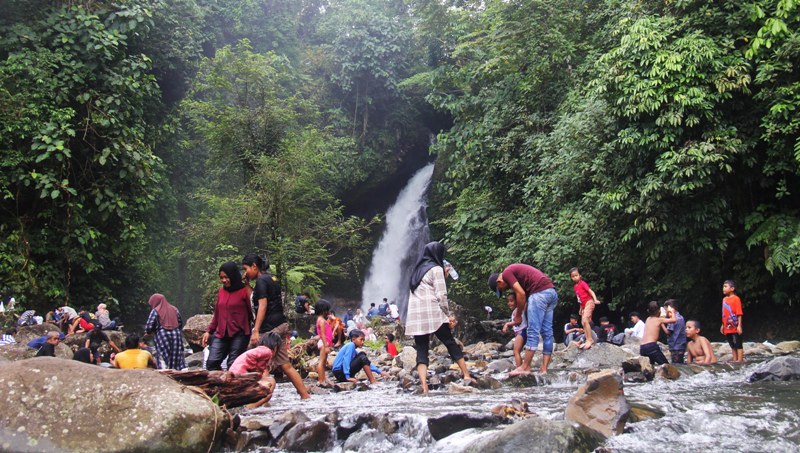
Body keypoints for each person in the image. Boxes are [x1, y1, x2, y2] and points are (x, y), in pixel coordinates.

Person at [406, 242, 472, 394]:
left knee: (422, 350)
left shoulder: (416, 270)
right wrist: (448, 315)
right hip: (433, 313)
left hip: (417, 317)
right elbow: (441, 295)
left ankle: (424, 386)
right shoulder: (436, 269)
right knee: (450, 342)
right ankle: (466, 374)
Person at [241, 253, 309, 399]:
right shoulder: (271, 278)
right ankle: (305, 396)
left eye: (246, 268)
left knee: (261, 365)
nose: (244, 272)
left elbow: (262, 305)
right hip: (281, 325)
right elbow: (256, 297)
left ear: (254, 266)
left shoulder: (261, 281)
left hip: (270, 329)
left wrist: (256, 330)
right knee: (285, 365)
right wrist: (247, 285)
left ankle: (263, 400)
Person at [488, 263, 558, 375]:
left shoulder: (506, 273)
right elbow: (524, 297)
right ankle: (544, 369)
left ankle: (525, 367)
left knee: (533, 331)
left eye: (501, 289)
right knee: (547, 332)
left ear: (498, 282)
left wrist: (518, 315)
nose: (505, 290)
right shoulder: (517, 275)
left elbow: (521, 294)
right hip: (551, 292)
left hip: (539, 294)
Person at [202, 261, 253, 371]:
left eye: (226, 277)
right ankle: (219, 386)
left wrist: (258, 329)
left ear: (233, 275)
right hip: (222, 333)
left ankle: (235, 386)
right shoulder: (221, 292)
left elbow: (252, 311)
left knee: (233, 365)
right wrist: (209, 331)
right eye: (221, 278)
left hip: (240, 333)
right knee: (211, 363)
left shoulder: (244, 291)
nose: (223, 280)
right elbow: (217, 314)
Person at [228, 332, 281, 408]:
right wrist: (253, 368)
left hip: (234, 374)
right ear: (275, 346)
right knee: (271, 383)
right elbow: (250, 356)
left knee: (266, 382)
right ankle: (250, 407)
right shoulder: (268, 351)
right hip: (241, 374)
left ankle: (250, 405)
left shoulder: (260, 350)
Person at [144, 293, 186, 370]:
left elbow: (148, 327)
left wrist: (151, 331)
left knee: (163, 357)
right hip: (176, 335)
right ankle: (179, 372)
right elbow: (180, 323)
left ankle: (166, 374)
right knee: (177, 356)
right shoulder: (174, 309)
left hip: (162, 336)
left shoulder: (155, 311)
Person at [570, 267, 601, 350]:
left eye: (576, 275)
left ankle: (589, 340)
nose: (575, 277)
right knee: (583, 323)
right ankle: (586, 339)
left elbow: (591, 291)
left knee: (585, 320)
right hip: (583, 305)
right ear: (571, 277)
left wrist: (595, 300)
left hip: (589, 302)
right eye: (573, 276)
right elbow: (579, 298)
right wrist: (580, 308)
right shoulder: (575, 287)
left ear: (580, 276)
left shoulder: (582, 283)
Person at [640, 301, 677, 365]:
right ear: (659, 311)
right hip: (651, 346)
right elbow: (674, 320)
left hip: (642, 347)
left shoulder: (648, 319)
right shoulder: (659, 320)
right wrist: (671, 311)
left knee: (650, 366)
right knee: (666, 366)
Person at [721, 279, 744, 363]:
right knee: (731, 343)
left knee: (738, 343)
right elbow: (724, 313)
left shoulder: (736, 299)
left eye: (725, 286)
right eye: (723, 286)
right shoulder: (724, 299)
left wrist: (739, 326)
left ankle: (740, 359)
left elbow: (739, 313)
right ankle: (735, 359)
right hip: (726, 326)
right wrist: (722, 325)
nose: (723, 288)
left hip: (735, 325)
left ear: (732, 288)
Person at [502, 293, 527, 367]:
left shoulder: (517, 311)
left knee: (516, 351)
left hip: (521, 332)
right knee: (519, 351)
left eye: (511, 301)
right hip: (523, 332)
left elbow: (517, 322)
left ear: (517, 301)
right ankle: (522, 367)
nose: (509, 303)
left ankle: (519, 368)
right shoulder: (518, 310)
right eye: (508, 301)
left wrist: (507, 324)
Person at [661, 299, 687, 364]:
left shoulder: (673, 319)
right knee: (680, 365)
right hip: (681, 345)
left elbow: (668, 332)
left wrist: (661, 323)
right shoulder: (681, 317)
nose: (665, 312)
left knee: (676, 366)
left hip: (675, 346)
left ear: (670, 309)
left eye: (666, 309)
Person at [315, 299, 334, 386]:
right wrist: (326, 346)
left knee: (323, 362)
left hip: (324, 342)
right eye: (327, 310)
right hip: (324, 343)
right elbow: (322, 334)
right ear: (323, 310)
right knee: (322, 362)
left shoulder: (320, 319)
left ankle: (323, 379)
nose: (328, 312)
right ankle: (321, 380)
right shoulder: (322, 321)